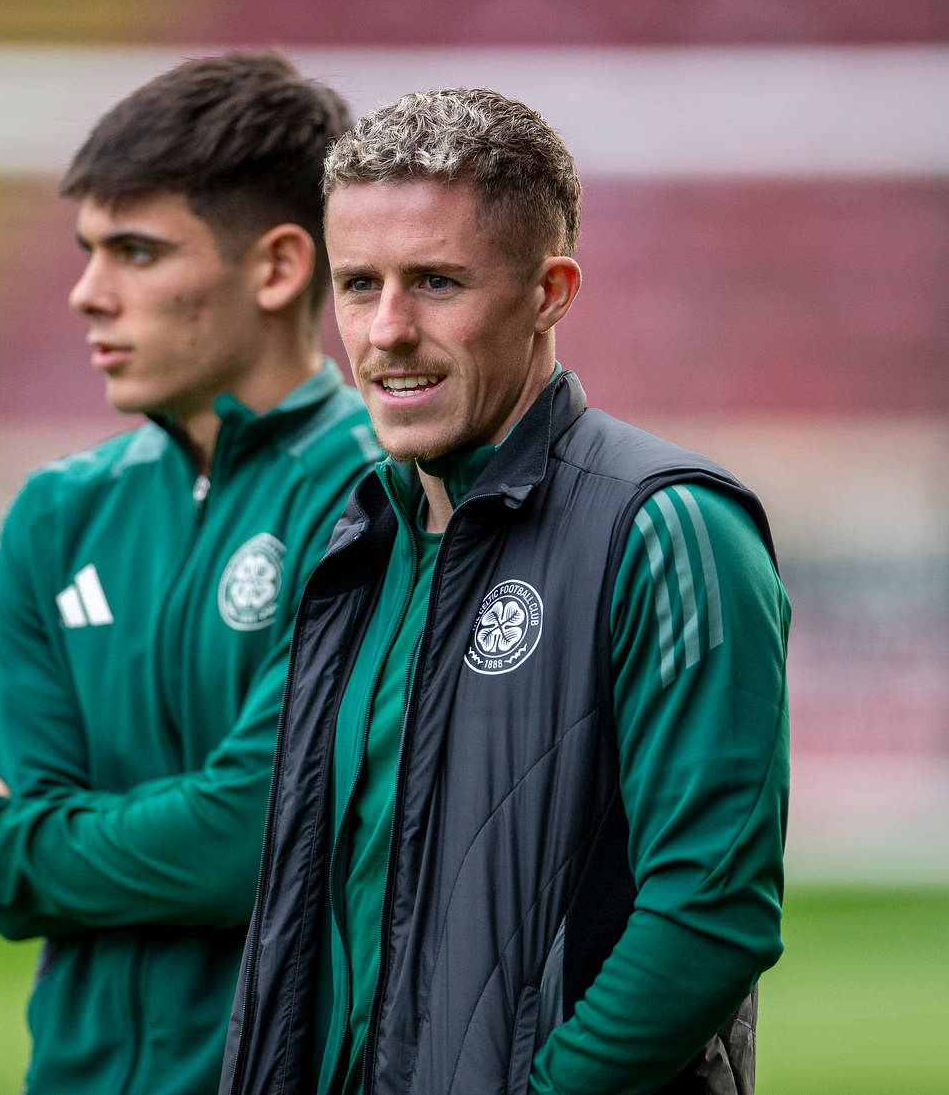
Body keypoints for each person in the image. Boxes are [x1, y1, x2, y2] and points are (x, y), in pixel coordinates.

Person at [220, 88, 790, 1095]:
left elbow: (709, 916)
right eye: (358, 284)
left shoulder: (670, 528)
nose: (386, 331)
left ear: (549, 291)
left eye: (436, 282)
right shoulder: (356, 544)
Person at [0, 52, 379, 1095]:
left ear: (278, 268)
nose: (87, 294)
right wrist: (33, 841)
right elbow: (37, 796)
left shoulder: (377, 499)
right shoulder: (57, 514)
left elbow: (250, 837)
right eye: (88, 251)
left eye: (135, 252)